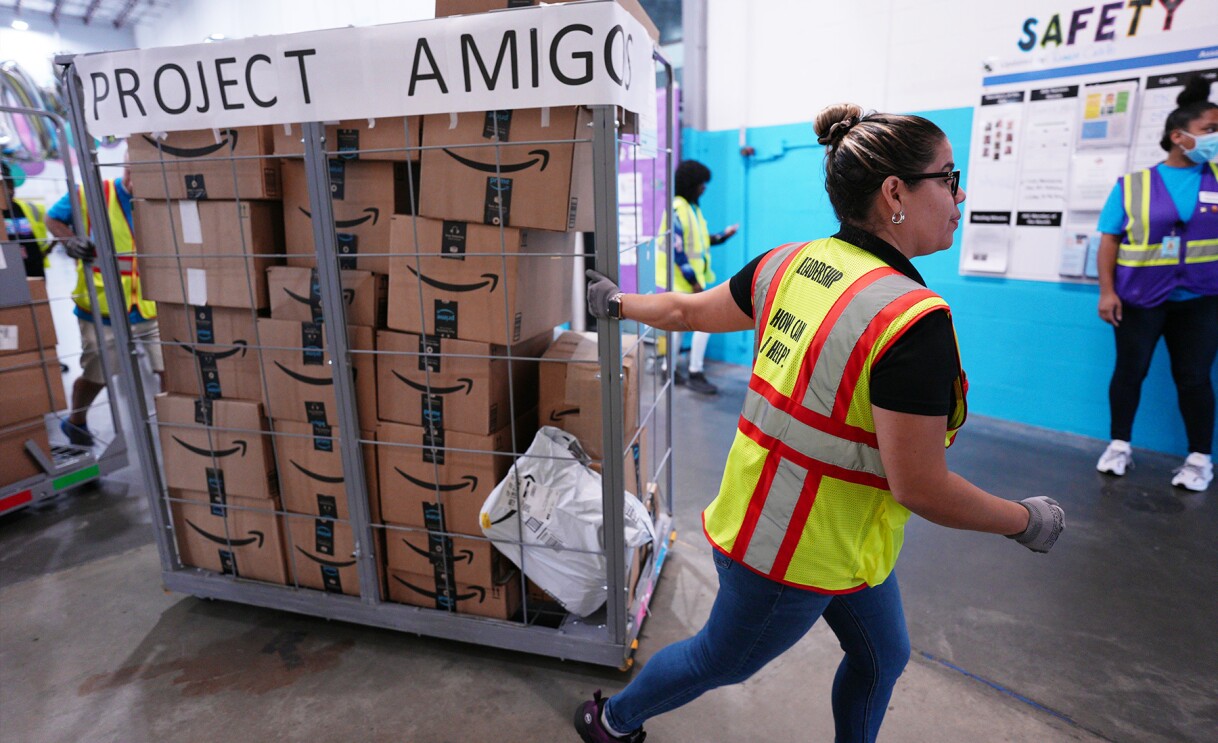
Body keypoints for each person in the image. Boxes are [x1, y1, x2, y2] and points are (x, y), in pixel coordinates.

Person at [577, 103, 1065, 743]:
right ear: (895, 192)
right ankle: (611, 721)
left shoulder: (789, 264)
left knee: (882, 656)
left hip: (829, 534)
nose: (960, 194)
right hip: (787, 553)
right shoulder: (912, 323)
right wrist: (1024, 520)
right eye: (949, 178)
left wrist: (618, 301)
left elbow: (687, 312)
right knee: (719, 659)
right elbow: (921, 487)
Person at [1094, 75, 1218, 492]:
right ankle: (1119, 446)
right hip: (1140, 297)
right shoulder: (1133, 185)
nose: (1215, 138)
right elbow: (1109, 240)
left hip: (1202, 298)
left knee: (1195, 378)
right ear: (1179, 137)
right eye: (1210, 130)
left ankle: (1199, 459)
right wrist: (1107, 291)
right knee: (1130, 372)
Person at [44, 160, 160, 447]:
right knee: (98, 374)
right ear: (126, 169)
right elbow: (52, 218)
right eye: (133, 171)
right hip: (102, 307)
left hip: (151, 306)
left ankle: (175, 423)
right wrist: (70, 241)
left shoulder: (160, 197)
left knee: (170, 368)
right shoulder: (91, 193)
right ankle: (76, 421)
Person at [655, 160, 738, 395]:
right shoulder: (678, 208)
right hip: (682, 281)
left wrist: (724, 235)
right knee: (706, 323)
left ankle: (668, 370)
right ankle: (694, 372)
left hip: (686, 280)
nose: (704, 188)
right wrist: (694, 282)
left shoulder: (692, 208)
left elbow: (702, 241)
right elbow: (677, 249)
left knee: (678, 327)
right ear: (691, 184)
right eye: (702, 183)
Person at [1, 161, 52, 279]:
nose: (9, 190)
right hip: (6, 276)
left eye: (9, 184)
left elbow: (42, 244)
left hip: (34, 273)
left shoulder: (30, 209)